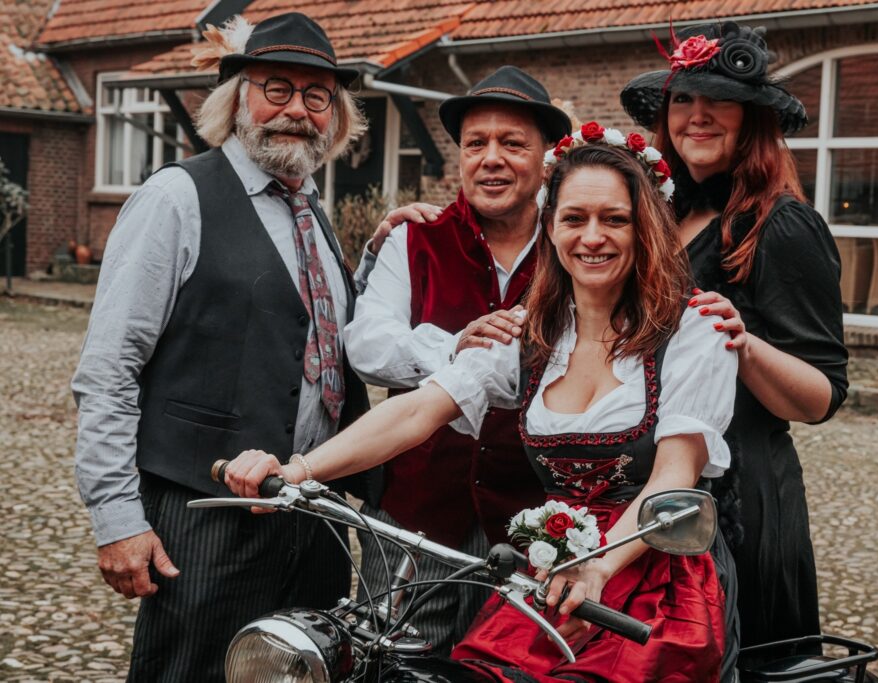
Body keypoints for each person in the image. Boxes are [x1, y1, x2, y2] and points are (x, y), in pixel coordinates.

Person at [225, 127, 738, 682]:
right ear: (550, 227)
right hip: (555, 576)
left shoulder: (692, 327)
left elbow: (673, 477)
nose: (592, 237)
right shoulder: (531, 332)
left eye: (615, 219)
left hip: (651, 576)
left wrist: (597, 566)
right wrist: (297, 471)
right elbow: (418, 411)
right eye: (574, 218)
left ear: (646, 229)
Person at [71, 13, 371, 680]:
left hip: (311, 515)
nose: (297, 110)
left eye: (316, 96)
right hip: (206, 516)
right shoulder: (176, 198)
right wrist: (117, 518)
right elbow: (109, 370)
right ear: (237, 99)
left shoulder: (314, 212)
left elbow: (319, 340)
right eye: (276, 88)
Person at [620, 21, 849, 647]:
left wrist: (744, 345)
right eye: (683, 100)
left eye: (719, 99)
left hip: (740, 501)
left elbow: (821, 397)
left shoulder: (783, 226)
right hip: (652, 487)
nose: (697, 115)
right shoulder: (659, 217)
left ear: (752, 118)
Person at [341, 65, 571, 652]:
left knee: (512, 662)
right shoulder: (413, 238)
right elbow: (366, 345)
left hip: (535, 522)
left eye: (512, 143)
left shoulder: (577, 244)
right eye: (475, 144)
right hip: (416, 513)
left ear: (547, 158)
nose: (491, 159)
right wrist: (450, 346)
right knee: (391, 660)